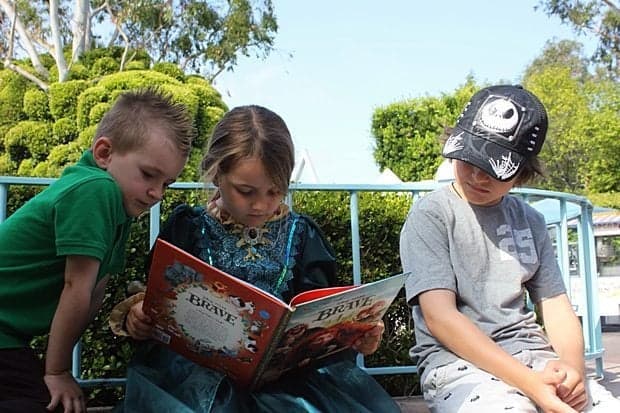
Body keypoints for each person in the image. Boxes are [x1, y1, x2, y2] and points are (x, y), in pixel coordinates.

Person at [110, 105, 400, 412]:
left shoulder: (301, 235)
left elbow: (320, 316)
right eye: (245, 191)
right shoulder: (188, 228)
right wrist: (138, 317)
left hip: (290, 382)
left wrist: (355, 337)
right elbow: (155, 297)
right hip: (193, 376)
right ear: (217, 172)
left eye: (274, 192)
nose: (260, 205)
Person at [400, 84, 620, 412]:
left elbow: (556, 305)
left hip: (535, 358)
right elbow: (440, 317)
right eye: (469, 158)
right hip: (459, 367)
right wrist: (528, 382)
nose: (477, 175)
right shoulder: (432, 214)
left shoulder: (529, 220)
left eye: (493, 167)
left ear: (522, 174)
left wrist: (572, 372)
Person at [0, 88, 194, 413]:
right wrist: (57, 371)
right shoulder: (96, 189)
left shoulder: (120, 209)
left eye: (167, 183)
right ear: (104, 153)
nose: (157, 193)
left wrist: (55, 372)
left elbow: (95, 294)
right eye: (148, 175)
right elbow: (77, 287)